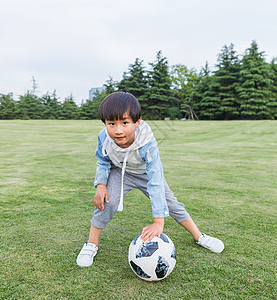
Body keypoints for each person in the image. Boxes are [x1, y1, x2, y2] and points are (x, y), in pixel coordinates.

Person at [76, 92, 224, 267]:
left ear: (136, 122)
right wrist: (101, 185)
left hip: (145, 173)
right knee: (107, 202)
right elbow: (102, 160)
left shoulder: (147, 143)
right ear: (105, 123)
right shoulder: (104, 137)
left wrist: (158, 222)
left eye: (124, 122)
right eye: (111, 124)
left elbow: (155, 181)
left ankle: (199, 236)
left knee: (172, 204)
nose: (118, 130)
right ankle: (91, 244)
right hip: (119, 171)